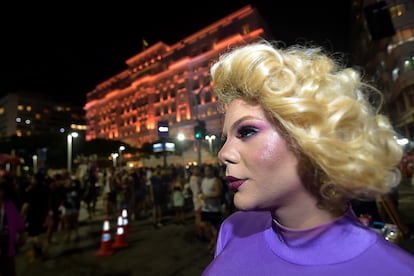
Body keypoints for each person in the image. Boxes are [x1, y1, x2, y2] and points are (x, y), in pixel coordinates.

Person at [202, 40, 414, 275]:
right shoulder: (232, 229)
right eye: (226, 138)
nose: (223, 154)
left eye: (247, 131)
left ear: (311, 136)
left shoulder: (395, 269)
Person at [0, 177, 26, 276]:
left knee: (9, 269)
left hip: (6, 242)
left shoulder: (9, 205)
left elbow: (17, 221)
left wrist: (22, 234)